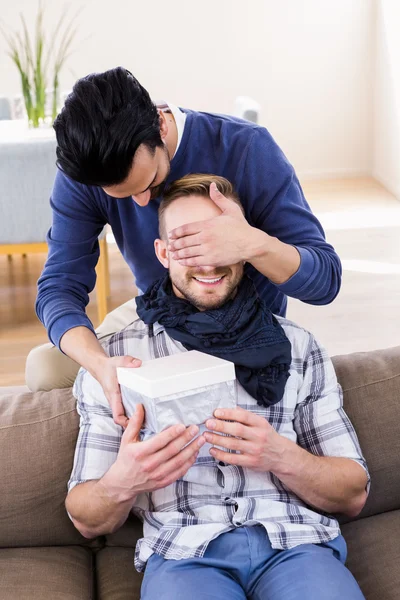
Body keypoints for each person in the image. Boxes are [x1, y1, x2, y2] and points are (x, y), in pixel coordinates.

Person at [66, 175, 368, 600]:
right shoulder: (115, 361)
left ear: (245, 248)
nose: (207, 262)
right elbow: (84, 518)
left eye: (219, 242)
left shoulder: (299, 346)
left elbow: (354, 494)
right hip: (184, 552)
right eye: (188, 245)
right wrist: (125, 480)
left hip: (295, 545)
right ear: (163, 252)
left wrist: (281, 455)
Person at [28, 67, 342, 428]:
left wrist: (252, 243)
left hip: (244, 323)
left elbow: (325, 281)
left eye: (151, 182)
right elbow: (58, 287)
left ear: (160, 126)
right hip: (161, 311)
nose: (143, 203)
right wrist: (100, 365)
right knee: (44, 368)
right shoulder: (86, 173)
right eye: (126, 195)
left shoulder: (245, 148)